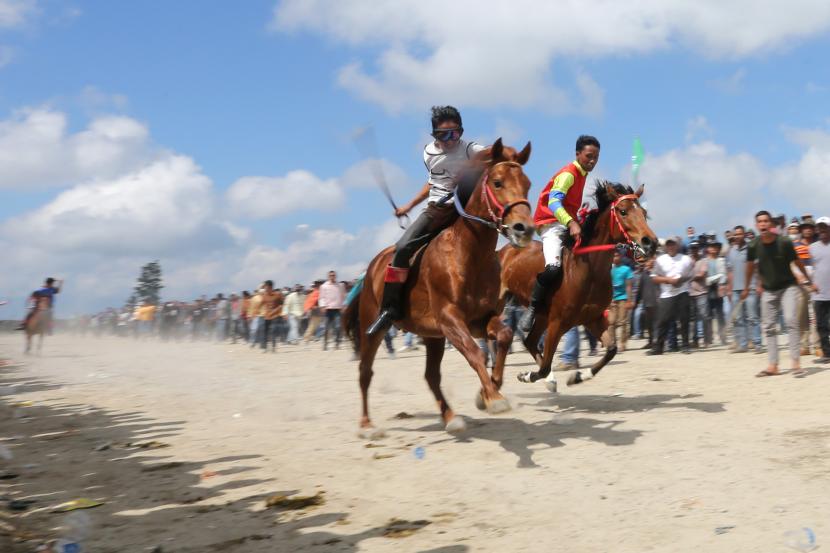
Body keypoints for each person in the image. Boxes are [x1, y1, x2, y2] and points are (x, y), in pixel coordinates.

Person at [367, 106, 488, 335]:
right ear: (434, 135)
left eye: (455, 133)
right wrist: (408, 206)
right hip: (437, 210)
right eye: (444, 135)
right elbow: (432, 183)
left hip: (466, 211)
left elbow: (497, 155)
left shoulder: (473, 149)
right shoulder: (428, 154)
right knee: (402, 248)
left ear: (461, 132)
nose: (451, 140)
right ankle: (389, 310)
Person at [519, 135, 601, 332]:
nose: (592, 161)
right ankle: (532, 308)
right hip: (551, 226)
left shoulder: (582, 174)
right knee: (554, 268)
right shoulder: (568, 174)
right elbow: (554, 202)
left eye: (596, 157)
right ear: (578, 154)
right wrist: (572, 222)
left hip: (566, 224)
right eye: (589, 156)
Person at [742, 210, 815, 377]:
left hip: (788, 286)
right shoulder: (753, 245)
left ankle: (796, 364)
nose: (763, 224)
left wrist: (807, 279)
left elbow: (797, 262)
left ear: (771, 224)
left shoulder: (784, 242)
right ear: (756, 225)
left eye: (766, 221)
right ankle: (773, 365)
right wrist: (747, 287)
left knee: (790, 320)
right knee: (768, 326)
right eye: (760, 221)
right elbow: (750, 267)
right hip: (769, 289)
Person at [647, 237, 694, 355]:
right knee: (663, 320)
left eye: (673, 244)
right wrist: (668, 280)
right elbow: (653, 277)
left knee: (684, 319)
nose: (671, 247)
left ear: (677, 246)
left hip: (682, 291)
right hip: (666, 293)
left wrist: (680, 279)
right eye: (669, 245)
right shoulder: (660, 260)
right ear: (666, 247)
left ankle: (685, 346)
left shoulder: (686, 259)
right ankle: (659, 347)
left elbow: (691, 274)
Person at [726, 225, 762, 353]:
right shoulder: (731, 251)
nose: (737, 236)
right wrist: (729, 289)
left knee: (753, 317)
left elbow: (757, 268)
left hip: (750, 288)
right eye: (735, 234)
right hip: (735, 289)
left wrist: (758, 284)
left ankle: (757, 343)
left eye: (740, 234)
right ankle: (742, 344)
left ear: (745, 235)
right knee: (738, 318)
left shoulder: (751, 249)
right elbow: (729, 271)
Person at [810, 217, 830, 363]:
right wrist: (810, 282)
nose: (822, 230)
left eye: (825, 227)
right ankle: (827, 353)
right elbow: (807, 269)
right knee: (821, 325)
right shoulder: (812, 248)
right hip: (819, 294)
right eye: (820, 227)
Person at [609, 250, 634, 352]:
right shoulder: (610, 269)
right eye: (613, 256)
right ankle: (612, 343)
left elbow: (628, 286)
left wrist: (629, 300)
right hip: (612, 299)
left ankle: (623, 343)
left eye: (617, 255)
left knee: (623, 322)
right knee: (611, 322)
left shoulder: (626, 269)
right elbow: (608, 286)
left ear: (621, 257)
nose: (615, 258)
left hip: (623, 298)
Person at [319, 270, 346, 350]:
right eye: (331, 275)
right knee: (327, 328)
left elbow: (343, 296)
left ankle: (337, 343)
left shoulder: (340, 285)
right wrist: (322, 306)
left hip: (337, 309)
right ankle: (325, 344)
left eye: (333, 275)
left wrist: (344, 305)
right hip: (328, 309)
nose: (332, 277)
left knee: (338, 327)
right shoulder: (324, 286)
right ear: (328, 276)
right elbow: (321, 297)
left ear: (335, 276)